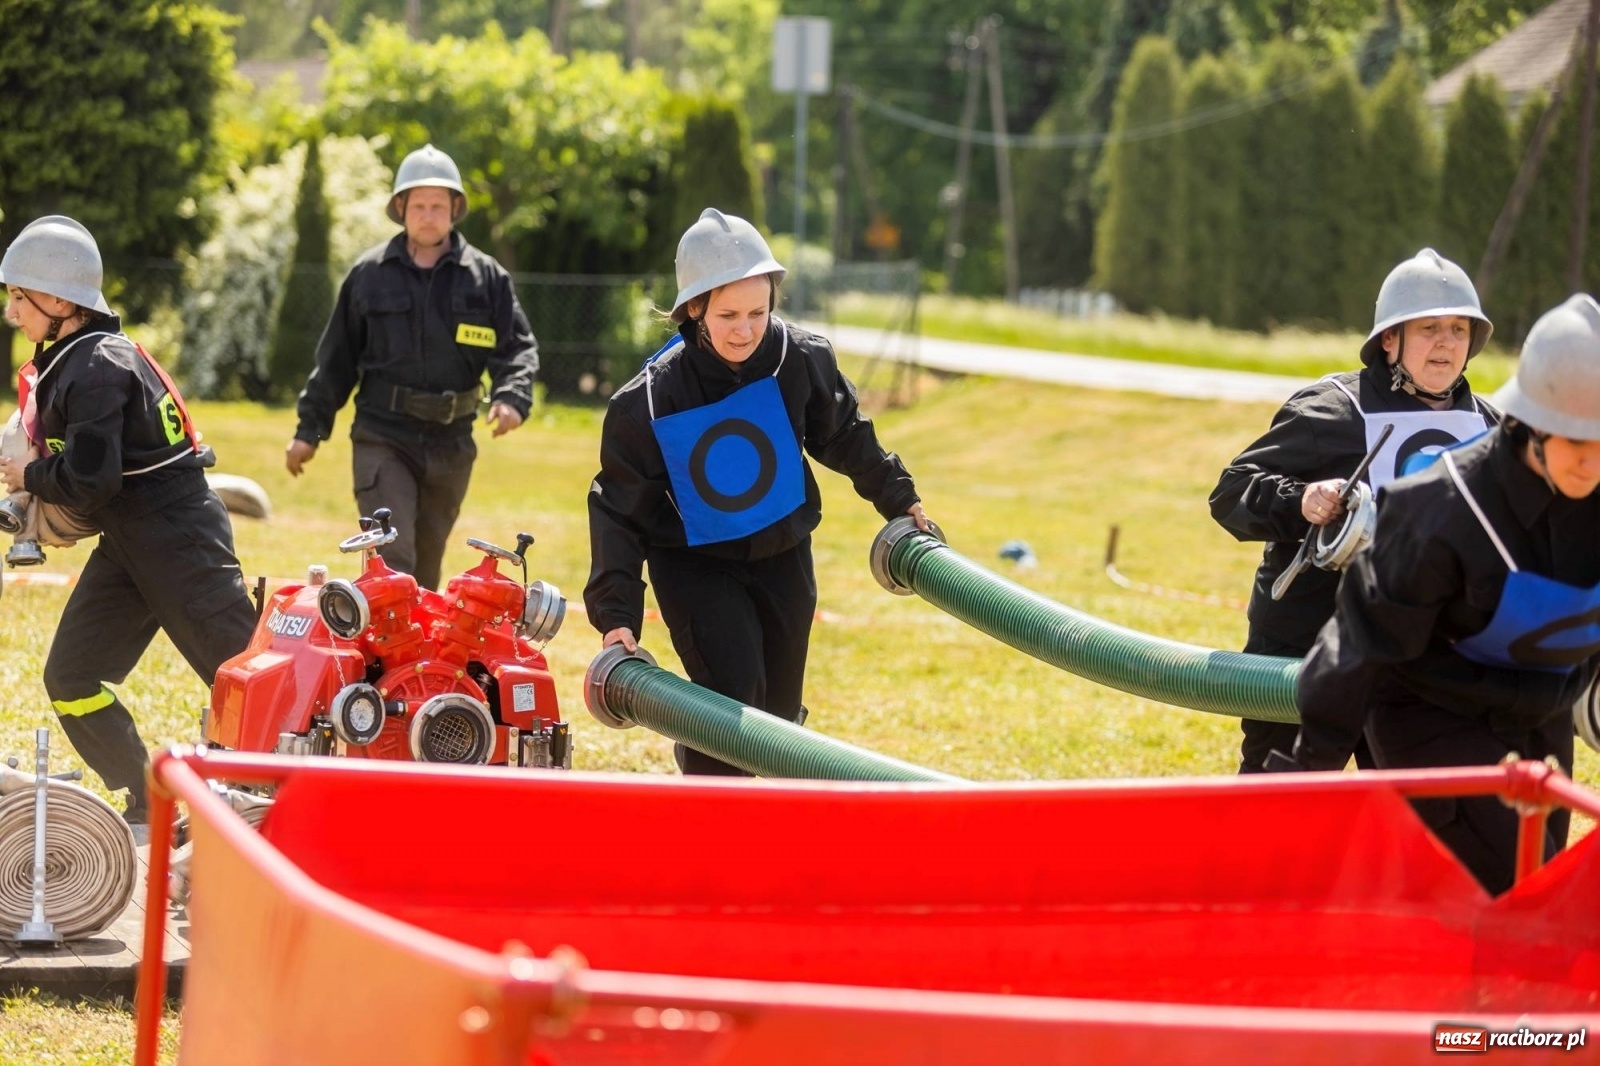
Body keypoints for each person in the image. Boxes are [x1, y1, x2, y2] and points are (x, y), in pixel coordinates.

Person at [584, 208, 930, 775]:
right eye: (727, 315)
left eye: (757, 312)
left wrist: (899, 496)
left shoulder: (801, 358)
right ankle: (716, 831)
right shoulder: (647, 401)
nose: (744, 329)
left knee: (779, 717)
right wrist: (615, 615)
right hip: (697, 567)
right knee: (732, 708)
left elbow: (843, 433)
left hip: (784, 555)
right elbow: (619, 510)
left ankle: (772, 832)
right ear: (693, 309)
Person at [1286, 293, 1600, 895]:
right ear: (1530, 426)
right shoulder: (1440, 511)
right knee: (1504, 879)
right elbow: (1360, 644)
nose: (1589, 465)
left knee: (1538, 874)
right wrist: (1306, 775)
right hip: (1432, 715)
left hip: (1541, 709)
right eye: (1574, 444)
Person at [0, 216, 257, 833]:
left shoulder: (97, 367)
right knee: (72, 676)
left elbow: (92, 480)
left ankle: (291, 806)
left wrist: (26, 479)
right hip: (131, 540)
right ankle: (147, 797)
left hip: (179, 537)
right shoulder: (71, 357)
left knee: (250, 687)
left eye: (19, 297)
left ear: (61, 301)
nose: (11, 312)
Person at [1210, 249, 1497, 774]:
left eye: (1459, 329)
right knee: (1278, 822)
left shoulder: (1491, 429)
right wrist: (1301, 501)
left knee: (1412, 825)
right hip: (1305, 654)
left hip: (1422, 668)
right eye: (1429, 327)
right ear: (1390, 339)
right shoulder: (1332, 410)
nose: (1446, 342)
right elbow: (1231, 493)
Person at [286, 143, 539, 591]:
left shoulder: (487, 279)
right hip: (383, 435)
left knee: (425, 568)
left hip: (452, 444)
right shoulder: (368, 275)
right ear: (401, 208)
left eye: (438, 205)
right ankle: (378, 658)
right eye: (418, 204)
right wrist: (309, 430)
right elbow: (336, 360)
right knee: (393, 558)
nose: (428, 214)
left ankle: (415, 662)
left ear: (455, 209)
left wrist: (511, 397)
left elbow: (517, 348)